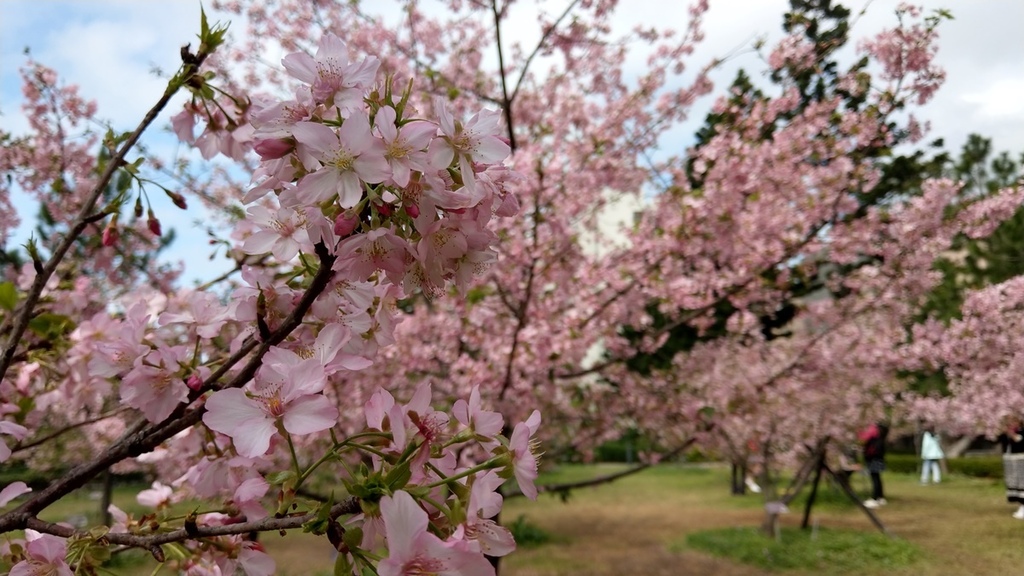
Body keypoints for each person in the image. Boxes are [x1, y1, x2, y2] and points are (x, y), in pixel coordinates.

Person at [998, 417, 1024, 519]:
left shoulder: (1021, 432)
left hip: (1021, 460)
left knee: (1022, 483)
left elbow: (1020, 441)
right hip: (1010, 461)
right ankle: (1020, 505)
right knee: (1014, 483)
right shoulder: (1005, 434)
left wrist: (1012, 435)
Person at [859, 422, 889, 509]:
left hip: (874, 459)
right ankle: (880, 497)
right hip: (878, 459)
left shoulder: (875, 439)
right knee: (877, 478)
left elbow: (865, 441)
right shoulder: (881, 438)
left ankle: (875, 498)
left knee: (875, 478)